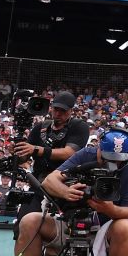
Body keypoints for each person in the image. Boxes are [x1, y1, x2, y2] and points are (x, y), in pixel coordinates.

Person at [15, 129, 128, 256]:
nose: (112, 163)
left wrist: (108, 208)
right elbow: (49, 181)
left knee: (124, 225)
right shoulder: (85, 155)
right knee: (30, 220)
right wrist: (66, 192)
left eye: (117, 160)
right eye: (107, 158)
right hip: (70, 222)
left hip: (107, 227)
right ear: (99, 148)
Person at [11, 90, 88, 226]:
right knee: (22, 223)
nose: (58, 114)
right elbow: (24, 159)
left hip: (65, 183)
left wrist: (36, 149)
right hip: (38, 183)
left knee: (69, 226)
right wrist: (19, 149)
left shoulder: (78, 126)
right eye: (55, 109)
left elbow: (69, 153)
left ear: (71, 111)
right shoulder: (40, 128)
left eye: (62, 111)